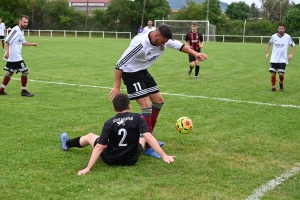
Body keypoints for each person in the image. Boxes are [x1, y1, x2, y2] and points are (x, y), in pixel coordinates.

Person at [108, 24, 208, 159]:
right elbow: (120, 64)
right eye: (162, 42)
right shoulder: (139, 44)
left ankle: (148, 135)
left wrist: (196, 53)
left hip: (143, 71)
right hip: (131, 73)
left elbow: (179, 46)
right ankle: (149, 146)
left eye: (166, 42)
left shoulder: (163, 39)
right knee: (147, 107)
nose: (164, 45)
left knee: (159, 102)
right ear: (156, 36)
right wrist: (117, 87)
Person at [60, 93, 176, 176]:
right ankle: (147, 150)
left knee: (90, 136)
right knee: (144, 136)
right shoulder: (138, 118)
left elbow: (99, 147)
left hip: (111, 159)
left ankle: (66, 143)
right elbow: (148, 137)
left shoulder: (109, 123)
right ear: (129, 106)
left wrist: (88, 168)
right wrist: (164, 156)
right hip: (132, 159)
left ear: (114, 109)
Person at [0, 15, 38, 96]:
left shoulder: (21, 31)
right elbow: (7, 40)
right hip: (15, 57)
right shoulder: (15, 30)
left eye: (27, 22)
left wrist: (33, 44)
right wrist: (7, 52)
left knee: (10, 72)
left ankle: (1, 90)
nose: (25, 24)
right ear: (20, 21)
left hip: (14, 56)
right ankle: (24, 91)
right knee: (25, 71)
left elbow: (23, 42)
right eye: (24, 22)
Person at [266, 23, 296, 92]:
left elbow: (293, 45)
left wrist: (291, 54)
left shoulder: (288, 37)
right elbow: (269, 44)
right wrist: (267, 53)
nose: (281, 30)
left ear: (284, 29)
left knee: (281, 74)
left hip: (283, 59)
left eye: (282, 29)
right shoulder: (273, 36)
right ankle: (273, 87)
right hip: (274, 59)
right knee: (273, 73)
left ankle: (281, 84)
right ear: (278, 29)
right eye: (280, 28)